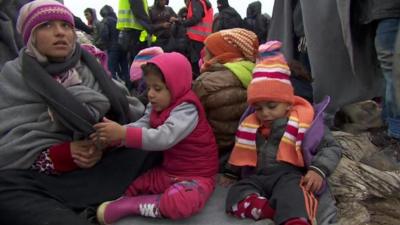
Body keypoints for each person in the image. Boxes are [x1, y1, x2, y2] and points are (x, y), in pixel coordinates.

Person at [0, 1, 157, 224]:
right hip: (52, 179)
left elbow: (128, 111)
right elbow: (9, 142)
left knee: (154, 139)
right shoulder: (14, 75)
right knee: (5, 189)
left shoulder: (89, 64)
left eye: (66, 26)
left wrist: (106, 140)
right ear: (30, 35)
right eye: (46, 25)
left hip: (104, 165)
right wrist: (61, 156)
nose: (59, 33)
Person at [221, 41, 342, 225]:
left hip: (289, 175)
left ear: (288, 103)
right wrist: (230, 172)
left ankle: (294, 219)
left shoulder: (305, 121)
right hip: (257, 176)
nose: (265, 113)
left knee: (295, 192)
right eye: (259, 108)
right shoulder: (251, 124)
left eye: (272, 106)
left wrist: (318, 170)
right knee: (237, 192)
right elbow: (240, 149)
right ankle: (267, 210)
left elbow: (331, 146)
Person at [93, 52, 219, 224]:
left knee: (180, 202)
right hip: (168, 172)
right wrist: (115, 135)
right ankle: (123, 200)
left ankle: (133, 206)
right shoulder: (157, 105)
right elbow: (143, 123)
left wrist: (124, 134)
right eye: (148, 87)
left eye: (157, 88)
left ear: (176, 85)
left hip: (197, 176)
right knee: (133, 184)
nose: (150, 94)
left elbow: (165, 137)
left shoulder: (187, 109)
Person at [192, 28, 259, 161]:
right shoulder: (257, 74)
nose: (204, 57)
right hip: (245, 148)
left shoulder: (206, 81)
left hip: (212, 150)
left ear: (221, 54)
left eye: (208, 52)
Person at [355, 0, 400, 139]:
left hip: (387, 11)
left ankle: (394, 131)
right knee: (389, 70)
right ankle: (391, 128)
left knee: (391, 70)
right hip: (382, 11)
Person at [171, 0, 213, 78]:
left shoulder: (195, 1)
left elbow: (196, 18)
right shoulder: (204, 3)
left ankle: (198, 84)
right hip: (203, 39)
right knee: (201, 65)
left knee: (196, 67)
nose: (187, 5)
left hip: (196, 40)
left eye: (186, 2)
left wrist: (181, 21)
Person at [99, 4, 129, 84]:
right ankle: (129, 86)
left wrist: (105, 45)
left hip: (112, 48)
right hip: (123, 47)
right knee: (125, 68)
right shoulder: (118, 20)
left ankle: (115, 87)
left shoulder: (105, 20)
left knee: (111, 69)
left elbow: (104, 35)